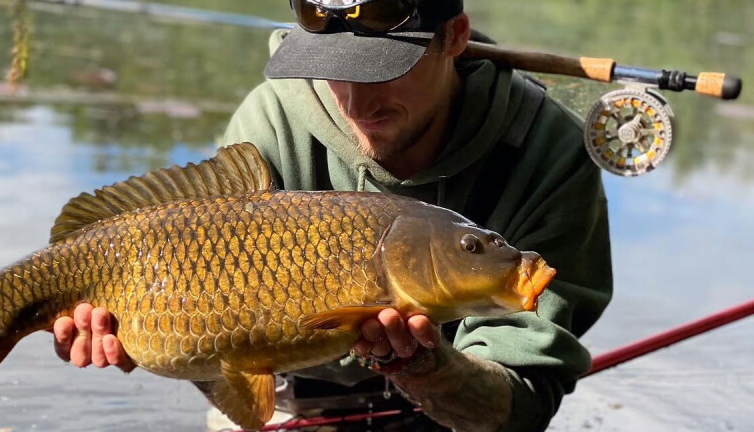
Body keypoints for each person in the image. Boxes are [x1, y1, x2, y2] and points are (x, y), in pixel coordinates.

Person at [52, 0, 613, 430]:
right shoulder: (271, 122)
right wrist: (152, 338)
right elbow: (222, 344)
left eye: (382, 69)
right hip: (285, 397)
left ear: (454, 38)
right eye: (333, 68)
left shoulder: (548, 153)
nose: (354, 101)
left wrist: (428, 369)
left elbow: (517, 406)